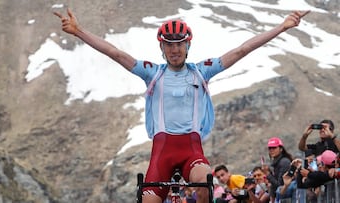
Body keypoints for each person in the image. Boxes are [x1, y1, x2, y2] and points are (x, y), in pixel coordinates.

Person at [54, 8, 309, 203]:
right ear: (162, 47)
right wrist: (78, 31)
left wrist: (282, 27)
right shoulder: (152, 73)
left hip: (191, 151)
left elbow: (242, 50)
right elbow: (116, 54)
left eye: (179, 44)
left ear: (187, 45)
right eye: (169, 44)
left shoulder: (202, 72)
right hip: (161, 152)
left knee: (205, 183)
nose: (174, 49)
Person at [262, 137, 293, 203]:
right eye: (270, 148)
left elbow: (280, 185)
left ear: (281, 149)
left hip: (287, 197)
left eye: (274, 148)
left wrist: (268, 174)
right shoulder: (277, 162)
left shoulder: (284, 162)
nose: (271, 150)